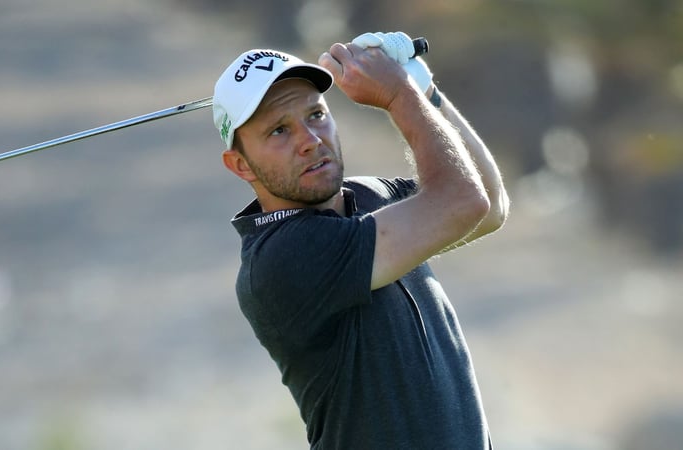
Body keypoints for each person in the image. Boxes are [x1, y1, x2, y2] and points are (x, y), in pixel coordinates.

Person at [212, 31, 509, 449]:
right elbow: (463, 200)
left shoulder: (369, 196)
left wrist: (425, 91)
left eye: (315, 115)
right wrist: (398, 95)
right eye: (279, 131)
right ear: (240, 164)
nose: (310, 141)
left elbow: (489, 205)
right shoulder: (281, 258)